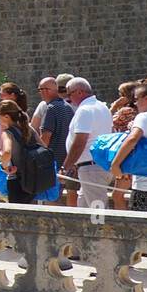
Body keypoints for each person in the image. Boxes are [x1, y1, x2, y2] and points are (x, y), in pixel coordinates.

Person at [63, 78, 115, 209]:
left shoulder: (85, 110)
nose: (68, 98)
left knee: (98, 211)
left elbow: (80, 141)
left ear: (80, 92)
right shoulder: (102, 107)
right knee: (84, 210)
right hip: (97, 165)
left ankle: (102, 230)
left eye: (69, 94)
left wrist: (67, 166)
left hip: (91, 168)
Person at [110, 83, 147, 212]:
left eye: (137, 99)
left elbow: (132, 139)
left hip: (144, 187)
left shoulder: (143, 117)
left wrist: (116, 164)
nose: (135, 104)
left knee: (140, 229)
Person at [0, 99, 39, 205]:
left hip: (17, 180)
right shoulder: (29, 129)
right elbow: (43, 147)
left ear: (6, 116)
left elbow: (7, 152)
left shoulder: (7, 133)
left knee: (16, 217)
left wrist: (4, 167)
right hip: (33, 179)